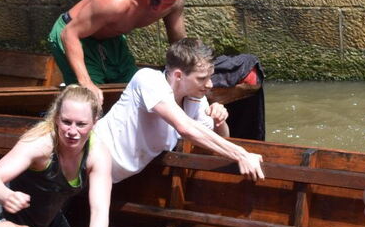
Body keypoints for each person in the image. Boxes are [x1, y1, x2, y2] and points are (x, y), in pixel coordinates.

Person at [0, 85, 119, 227]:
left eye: (81, 124)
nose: (72, 131)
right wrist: (7, 196)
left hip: (49, 219)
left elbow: (99, 209)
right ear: (56, 118)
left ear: (95, 122)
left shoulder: (98, 153)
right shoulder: (41, 144)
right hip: (5, 217)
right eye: (66, 121)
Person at [96, 37, 263, 183]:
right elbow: (185, 127)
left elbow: (220, 140)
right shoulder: (148, 80)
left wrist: (220, 121)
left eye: (210, 77)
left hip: (110, 178)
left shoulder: (196, 99)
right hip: (86, 158)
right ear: (178, 76)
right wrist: (241, 154)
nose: (210, 84)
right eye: (202, 78)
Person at [47, 0, 188, 104]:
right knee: (90, 101)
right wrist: (86, 83)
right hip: (74, 34)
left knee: (138, 93)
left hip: (111, 38)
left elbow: (179, 44)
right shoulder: (114, 1)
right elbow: (69, 34)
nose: (158, 8)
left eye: (167, 3)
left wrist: (193, 73)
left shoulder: (175, 1)